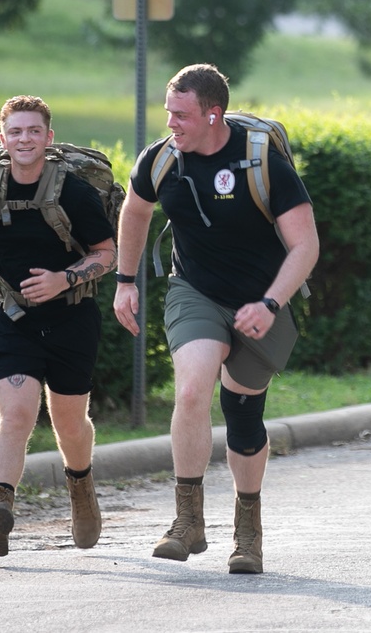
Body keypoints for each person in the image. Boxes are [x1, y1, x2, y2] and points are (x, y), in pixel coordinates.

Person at [113, 64, 319, 574]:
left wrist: (270, 303)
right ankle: (187, 523)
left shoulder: (260, 161)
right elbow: (136, 211)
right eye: (167, 113)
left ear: (213, 114)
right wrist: (124, 279)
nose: (171, 124)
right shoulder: (160, 160)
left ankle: (248, 532)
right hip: (195, 291)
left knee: (243, 414)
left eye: (181, 115)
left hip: (260, 301)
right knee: (190, 391)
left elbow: (305, 244)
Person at [0, 95, 117, 557]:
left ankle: (80, 486)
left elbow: (107, 253)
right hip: (13, 321)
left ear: (48, 138)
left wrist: (63, 279)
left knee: (70, 425)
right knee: (14, 417)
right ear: (3, 139)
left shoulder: (74, 192)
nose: (25, 139)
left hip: (73, 319)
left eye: (33, 131)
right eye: (16, 132)